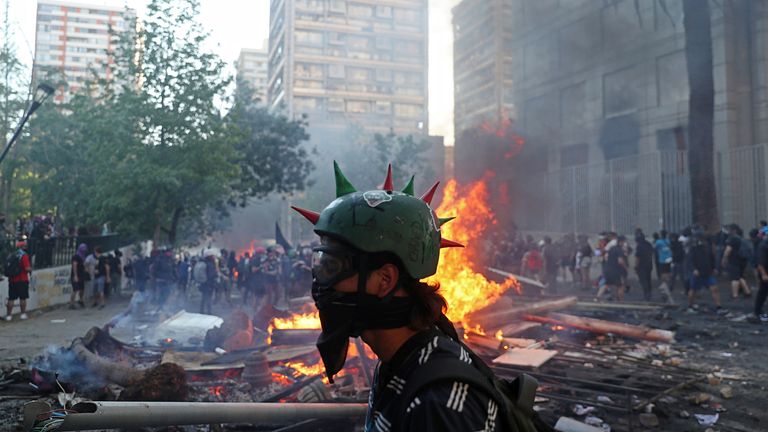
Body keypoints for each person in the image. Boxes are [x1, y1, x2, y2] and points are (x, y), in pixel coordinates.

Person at [291, 163, 538, 432]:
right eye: (319, 264)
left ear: (385, 279)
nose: (320, 282)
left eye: (332, 266)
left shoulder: (438, 405)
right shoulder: (399, 363)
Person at [688, 230, 725, 314]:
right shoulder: (693, 248)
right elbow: (690, 260)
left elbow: (711, 258)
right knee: (693, 290)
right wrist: (694, 269)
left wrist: (714, 267)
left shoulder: (707, 247)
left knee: (714, 288)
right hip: (697, 273)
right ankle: (690, 306)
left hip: (708, 272)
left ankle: (718, 306)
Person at [721, 225, 752, 299]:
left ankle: (735, 295)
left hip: (734, 260)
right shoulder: (741, 238)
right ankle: (747, 292)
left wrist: (724, 259)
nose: (728, 231)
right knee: (740, 276)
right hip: (742, 260)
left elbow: (728, 250)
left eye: (729, 229)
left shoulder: (732, 239)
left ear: (734, 230)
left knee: (734, 278)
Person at [5, 240, 32, 321]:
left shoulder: (12, 255)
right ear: (23, 247)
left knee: (11, 298)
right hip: (22, 280)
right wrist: (31, 269)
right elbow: (27, 268)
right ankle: (23, 314)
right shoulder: (24, 255)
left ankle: (9, 316)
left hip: (12, 280)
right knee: (23, 298)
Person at [596, 235, 626, 301]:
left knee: (606, 284)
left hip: (607, 268)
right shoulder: (619, 249)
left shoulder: (611, 248)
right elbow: (620, 261)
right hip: (615, 270)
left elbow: (604, 256)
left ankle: (597, 297)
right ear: (621, 242)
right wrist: (625, 267)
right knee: (620, 286)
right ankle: (621, 301)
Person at [654, 230, 674, 304]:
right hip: (669, 259)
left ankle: (664, 286)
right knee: (668, 272)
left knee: (663, 274)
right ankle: (668, 284)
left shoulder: (658, 242)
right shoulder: (668, 241)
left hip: (662, 260)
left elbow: (655, 248)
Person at [753, 226, 768, 322]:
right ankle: (757, 312)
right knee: (762, 292)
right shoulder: (763, 246)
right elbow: (760, 262)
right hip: (766, 273)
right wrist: (763, 274)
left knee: (763, 292)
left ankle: (758, 311)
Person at [634, 233, 654, 301]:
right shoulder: (648, 244)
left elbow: (637, 258)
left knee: (643, 281)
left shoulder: (639, 246)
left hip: (641, 266)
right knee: (648, 280)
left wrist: (636, 266)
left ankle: (646, 295)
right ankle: (649, 294)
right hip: (649, 265)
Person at [69, 243, 88, 309]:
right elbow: (74, 265)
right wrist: (75, 275)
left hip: (81, 275)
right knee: (75, 289)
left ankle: (81, 300)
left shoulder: (83, 257)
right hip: (76, 275)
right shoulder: (76, 256)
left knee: (82, 289)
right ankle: (71, 304)